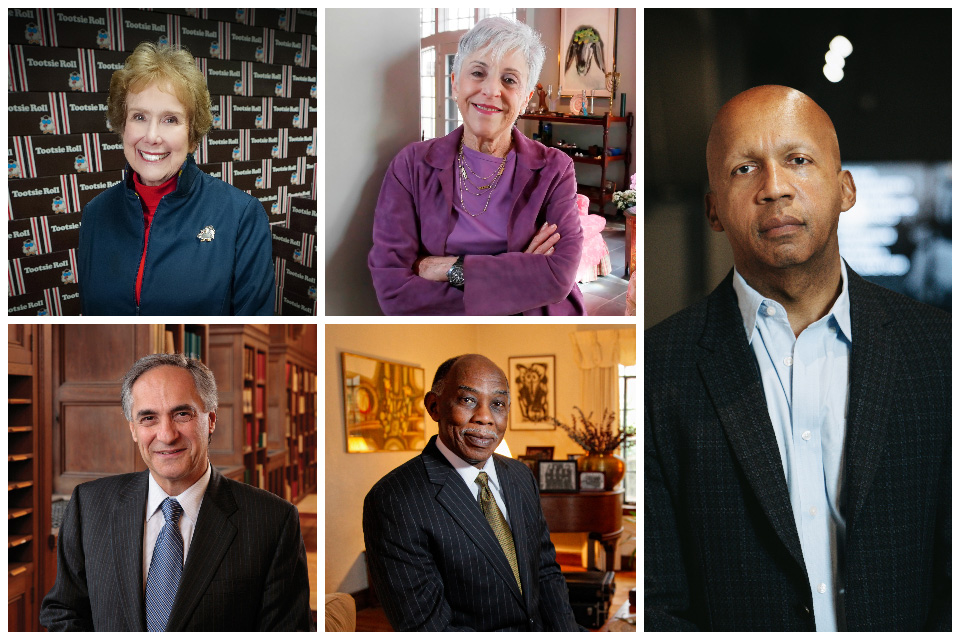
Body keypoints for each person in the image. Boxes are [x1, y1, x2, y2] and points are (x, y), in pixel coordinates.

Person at [645, 85, 950, 631]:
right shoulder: (658, 369)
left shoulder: (939, 350)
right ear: (713, 209)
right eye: (744, 169)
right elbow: (660, 603)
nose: (774, 188)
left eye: (798, 160)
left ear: (845, 189)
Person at [40, 354, 313, 631]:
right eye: (149, 418)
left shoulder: (273, 521)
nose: (167, 435)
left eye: (182, 414)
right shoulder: (89, 506)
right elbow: (64, 610)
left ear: (211, 420)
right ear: (133, 430)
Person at [368, 17, 585, 315]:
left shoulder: (555, 170)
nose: (491, 90)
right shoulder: (410, 166)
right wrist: (520, 274)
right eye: (478, 73)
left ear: (525, 99)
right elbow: (393, 289)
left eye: (509, 80)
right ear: (456, 83)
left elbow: (559, 275)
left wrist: (449, 268)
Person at [363, 354, 580, 631]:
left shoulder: (520, 475)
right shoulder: (394, 500)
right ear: (434, 406)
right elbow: (426, 627)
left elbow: (545, 571)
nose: (485, 418)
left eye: (498, 404)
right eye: (468, 400)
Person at [77, 42, 275, 315]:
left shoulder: (242, 215)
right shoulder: (96, 214)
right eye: (139, 117)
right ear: (122, 126)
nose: (152, 136)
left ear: (192, 136)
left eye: (170, 119)